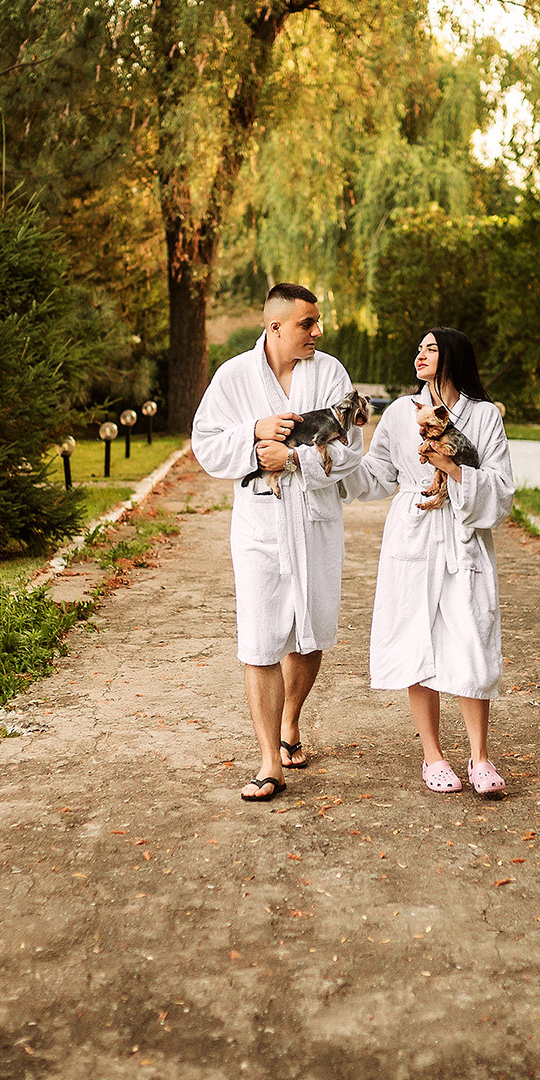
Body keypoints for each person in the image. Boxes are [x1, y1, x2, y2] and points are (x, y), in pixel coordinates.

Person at [191, 283, 364, 802]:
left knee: (310, 633)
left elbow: (352, 452)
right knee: (261, 639)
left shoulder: (331, 374)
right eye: (307, 323)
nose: (317, 331)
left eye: (317, 322)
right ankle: (270, 761)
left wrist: (291, 459)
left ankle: (291, 720)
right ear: (275, 327)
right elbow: (205, 444)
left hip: (313, 522)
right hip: (260, 526)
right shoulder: (234, 377)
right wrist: (254, 433)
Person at [348, 328, 515, 796]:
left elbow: (501, 492)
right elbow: (377, 475)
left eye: (430, 348)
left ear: (453, 357)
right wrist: (341, 453)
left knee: (471, 639)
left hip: (462, 538)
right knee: (417, 639)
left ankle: (480, 757)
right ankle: (433, 756)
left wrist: (451, 467)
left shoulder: (484, 417)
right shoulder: (402, 412)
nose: (419, 354)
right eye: (418, 348)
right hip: (413, 536)